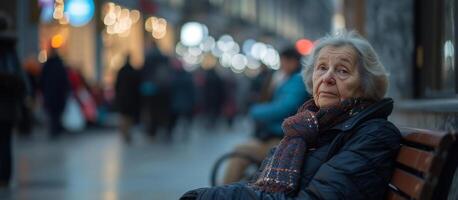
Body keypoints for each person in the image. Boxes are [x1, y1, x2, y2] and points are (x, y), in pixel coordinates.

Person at [180, 31, 402, 200]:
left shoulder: (374, 134)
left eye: (342, 70)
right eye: (321, 68)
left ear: (367, 84)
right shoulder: (309, 126)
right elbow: (257, 187)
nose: (327, 78)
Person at [223, 47, 310, 184]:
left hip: (283, 140)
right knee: (240, 151)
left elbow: (284, 108)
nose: (281, 66)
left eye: (283, 62)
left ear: (292, 62)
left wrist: (255, 111)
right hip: (278, 136)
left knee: (239, 153)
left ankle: (225, 192)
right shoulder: (288, 79)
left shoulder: (297, 81)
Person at [0, 19, 28, 187]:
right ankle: (5, 177)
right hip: (9, 107)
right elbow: (22, 79)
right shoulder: (11, 50)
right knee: (6, 141)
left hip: (7, 104)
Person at [40, 48, 70, 138]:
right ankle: (56, 129)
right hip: (58, 94)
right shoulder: (60, 64)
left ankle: (54, 129)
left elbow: (42, 80)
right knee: (56, 113)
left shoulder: (47, 65)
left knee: (52, 113)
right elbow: (65, 80)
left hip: (50, 94)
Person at [115, 56, 141, 143]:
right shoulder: (133, 71)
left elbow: (117, 85)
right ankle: (126, 133)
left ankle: (125, 132)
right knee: (128, 117)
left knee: (124, 116)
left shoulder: (121, 71)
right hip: (131, 99)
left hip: (123, 98)